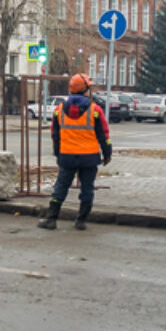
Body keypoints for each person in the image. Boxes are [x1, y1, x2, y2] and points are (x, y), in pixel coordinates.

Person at [38, 73, 112, 231]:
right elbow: (104, 135)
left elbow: (55, 136)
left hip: (67, 156)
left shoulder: (59, 110)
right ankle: (81, 221)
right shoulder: (95, 110)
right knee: (87, 188)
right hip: (89, 157)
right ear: (85, 90)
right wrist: (107, 154)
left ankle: (51, 219)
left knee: (61, 187)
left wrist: (58, 154)